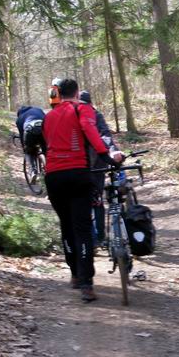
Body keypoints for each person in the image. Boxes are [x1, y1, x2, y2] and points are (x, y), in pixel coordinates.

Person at [43, 78, 124, 302]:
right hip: (78, 173)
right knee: (83, 228)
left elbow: (47, 143)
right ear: (77, 93)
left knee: (66, 226)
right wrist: (108, 156)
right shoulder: (82, 109)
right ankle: (87, 284)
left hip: (53, 176)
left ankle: (75, 275)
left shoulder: (49, 116)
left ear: (58, 93)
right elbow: (91, 133)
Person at [79, 90, 117, 248]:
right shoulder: (77, 116)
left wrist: (111, 150)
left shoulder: (96, 116)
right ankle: (94, 237)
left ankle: (99, 236)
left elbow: (106, 135)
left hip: (96, 164)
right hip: (82, 165)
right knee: (90, 201)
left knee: (96, 200)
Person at [15, 105, 46, 172]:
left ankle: (33, 169)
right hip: (43, 127)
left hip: (30, 129)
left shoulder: (19, 118)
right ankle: (50, 166)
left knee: (29, 151)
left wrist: (25, 148)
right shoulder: (38, 109)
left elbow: (22, 135)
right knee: (46, 149)